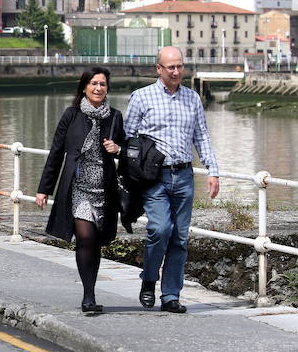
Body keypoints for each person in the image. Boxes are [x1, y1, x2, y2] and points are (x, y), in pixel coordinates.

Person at [126, 46, 220, 314]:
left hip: (184, 175)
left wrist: (212, 170)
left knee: (179, 238)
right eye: (171, 67)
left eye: (180, 66)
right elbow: (129, 138)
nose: (177, 71)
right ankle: (149, 279)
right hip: (154, 177)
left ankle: (170, 296)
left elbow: (201, 137)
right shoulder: (141, 98)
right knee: (160, 229)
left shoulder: (192, 98)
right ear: (159, 69)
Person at [36, 67, 126, 314]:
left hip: (104, 190)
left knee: (95, 242)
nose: (98, 88)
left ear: (108, 88)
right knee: (85, 237)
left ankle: (91, 290)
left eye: (103, 84)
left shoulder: (115, 117)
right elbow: (56, 153)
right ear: (84, 87)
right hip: (78, 188)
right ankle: (88, 296)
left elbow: (127, 151)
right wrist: (44, 189)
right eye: (94, 83)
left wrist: (116, 149)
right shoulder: (71, 115)